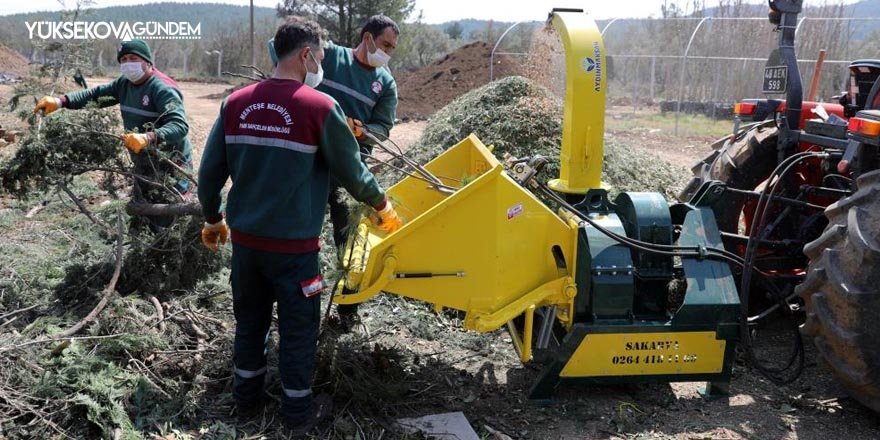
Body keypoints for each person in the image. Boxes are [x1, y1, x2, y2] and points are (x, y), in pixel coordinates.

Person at [197, 16, 403, 434]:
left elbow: (209, 174)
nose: (322, 64)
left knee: (250, 323)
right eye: (321, 56)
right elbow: (353, 173)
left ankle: (246, 403)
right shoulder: (320, 107)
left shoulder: (235, 103)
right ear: (306, 55)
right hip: (294, 254)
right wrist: (383, 205)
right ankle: (296, 417)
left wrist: (213, 218)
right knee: (297, 333)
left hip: (248, 249)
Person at [34, 39, 193, 229]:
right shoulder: (124, 84)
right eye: (123, 59)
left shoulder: (162, 88)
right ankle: (145, 247)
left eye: (133, 58)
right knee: (143, 209)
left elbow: (179, 125)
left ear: (147, 61)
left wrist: (148, 137)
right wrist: (61, 101)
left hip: (171, 164)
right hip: (144, 160)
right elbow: (95, 95)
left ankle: (170, 249)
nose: (127, 63)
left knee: (169, 213)